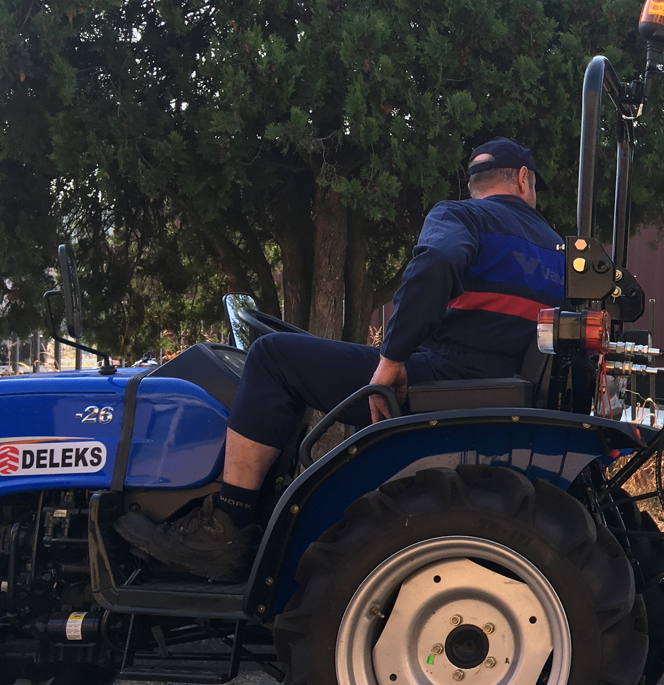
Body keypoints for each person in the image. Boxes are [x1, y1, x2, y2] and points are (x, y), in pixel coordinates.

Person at [117, 138, 566, 582]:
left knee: (272, 357)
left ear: (473, 185)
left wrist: (391, 360)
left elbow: (438, 259)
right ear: (523, 179)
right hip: (501, 383)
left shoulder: (463, 215)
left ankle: (227, 525)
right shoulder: (556, 250)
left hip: (443, 376)